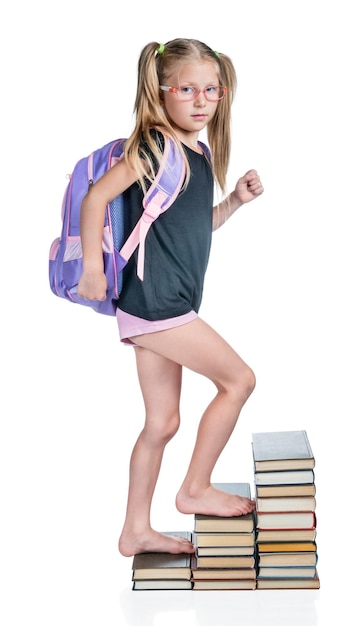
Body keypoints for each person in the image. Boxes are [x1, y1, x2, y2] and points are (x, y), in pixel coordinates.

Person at [78, 38, 264, 557]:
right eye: (187, 89)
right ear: (161, 92)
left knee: (162, 423)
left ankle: (135, 530)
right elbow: (97, 198)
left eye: (212, 89)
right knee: (239, 380)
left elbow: (194, 230)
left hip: (162, 303)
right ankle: (194, 489)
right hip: (158, 303)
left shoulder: (196, 154)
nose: (201, 100)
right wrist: (93, 267)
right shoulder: (156, 146)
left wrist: (235, 202)